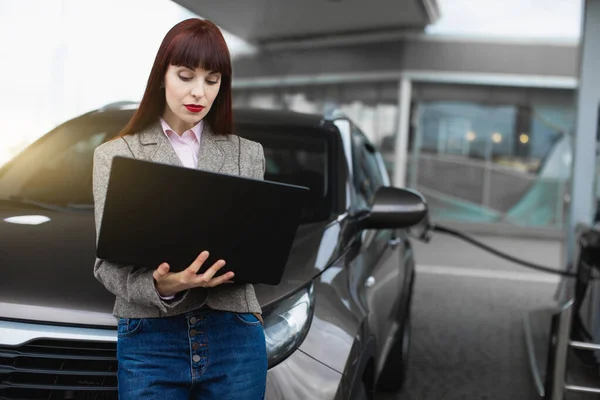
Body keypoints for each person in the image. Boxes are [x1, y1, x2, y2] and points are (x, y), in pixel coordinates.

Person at [92, 18, 267, 399]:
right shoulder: (118, 155)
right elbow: (106, 266)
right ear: (162, 76)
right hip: (151, 339)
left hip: (233, 332)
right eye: (185, 75)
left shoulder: (248, 154)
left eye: (212, 79)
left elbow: (255, 247)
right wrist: (161, 285)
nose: (198, 92)